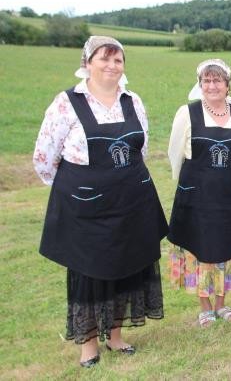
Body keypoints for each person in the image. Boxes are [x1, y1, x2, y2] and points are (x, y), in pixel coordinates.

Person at [33, 36, 168, 367]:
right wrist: (80, 188)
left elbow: (142, 147)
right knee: (89, 273)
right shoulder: (67, 103)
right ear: (87, 63)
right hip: (88, 206)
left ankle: (116, 336)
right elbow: (44, 158)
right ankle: (89, 345)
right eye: (104, 59)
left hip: (132, 200)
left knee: (128, 264)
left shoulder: (132, 101)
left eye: (118, 60)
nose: (111, 65)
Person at [167, 59, 231, 326]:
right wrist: (186, 187)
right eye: (206, 81)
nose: (212, 85)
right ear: (200, 84)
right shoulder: (186, 112)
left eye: (217, 80)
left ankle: (222, 304)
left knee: (227, 245)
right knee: (199, 248)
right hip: (197, 195)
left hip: (229, 194)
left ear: (228, 85)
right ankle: (204, 306)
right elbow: (174, 155)